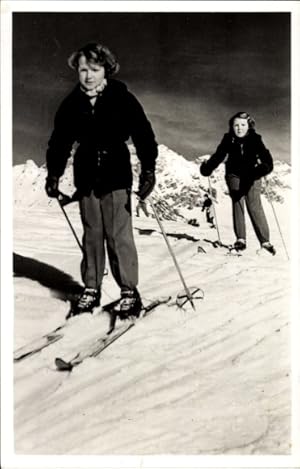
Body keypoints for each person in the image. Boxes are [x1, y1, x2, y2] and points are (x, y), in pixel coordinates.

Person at [45, 42, 158, 318]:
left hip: (116, 172)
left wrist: (148, 169)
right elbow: (60, 141)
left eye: (94, 69)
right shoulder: (71, 103)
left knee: (118, 235)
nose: (88, 75)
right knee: (92, 234)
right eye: (82, 69)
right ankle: (91, 288)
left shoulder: (121, 97)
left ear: (105, 69)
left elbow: (143, 133)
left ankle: (129, 291)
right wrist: (54, 173)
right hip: (86, 175)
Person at [200, 111, 275, 254]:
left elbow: (266, 158)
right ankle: (241, 240)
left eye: (242, 125)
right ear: (231, 127)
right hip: (234, 174)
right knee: (237, 200)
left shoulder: (255, 139)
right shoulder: (228, 139)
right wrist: (207, 168)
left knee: (254, 205)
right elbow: (219, 155)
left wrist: (263, 168)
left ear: (248, 126)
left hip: (252, 174)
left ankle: (265, 242)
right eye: (236, 125)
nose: (239, 128)